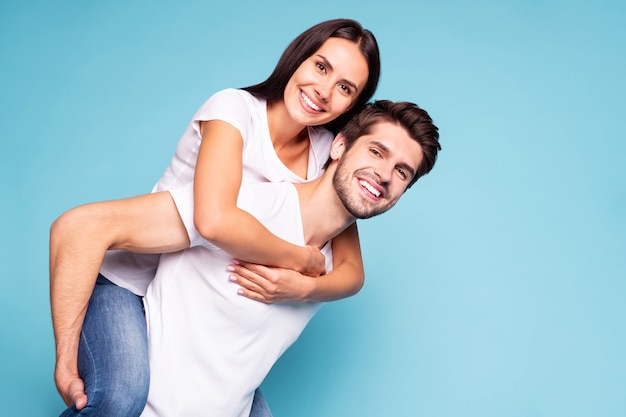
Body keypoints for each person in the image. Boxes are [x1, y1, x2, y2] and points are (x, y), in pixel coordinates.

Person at [51, 18, 380, 417]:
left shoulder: (327, 152)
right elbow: (215, 220)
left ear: (353, 106)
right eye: (321, 67)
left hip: (199, 313)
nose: (324, 91)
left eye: (345, 88)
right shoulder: (234, 112)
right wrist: (299, 259)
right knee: (122, 396)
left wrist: (302, 288)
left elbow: (351, 271)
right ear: (298, 58)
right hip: (132, 283)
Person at [53, 100, 441, 416]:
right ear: (338, 146)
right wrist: (67, 367)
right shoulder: (241, 207)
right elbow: (82, 228)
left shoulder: (332, 266)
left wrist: (308, 287)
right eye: (377, 151)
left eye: (403, 172)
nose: (385, 174)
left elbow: (353, 277)